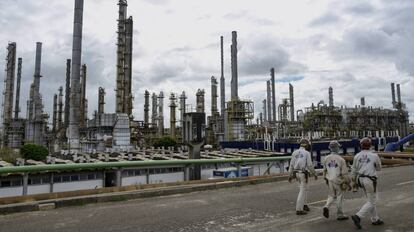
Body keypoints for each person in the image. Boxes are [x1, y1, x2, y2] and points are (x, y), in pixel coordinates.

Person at [351, 137, 384, 229]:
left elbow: (353, 170)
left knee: (370, 199)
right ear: (370, 145)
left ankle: (375, 219)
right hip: (369, 180)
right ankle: (358, 216)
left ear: (361, 145)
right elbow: (379, 168)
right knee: (373, 201)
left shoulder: (357, 156)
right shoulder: (374, 155)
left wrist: (353, 182)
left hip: (360, 179)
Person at [322, 140, 350, 221]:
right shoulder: (341, 159)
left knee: (331, 195)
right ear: (337, 148)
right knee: (339, 196)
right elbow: (344, 173)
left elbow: (324, 170)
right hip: (339, 181)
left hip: (330, 179)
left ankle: (326, 206)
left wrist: (325, 179)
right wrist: (348, 181)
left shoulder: (326, 158)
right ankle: (340, 214)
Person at [288, 138, 317, 215]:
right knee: (302, 190)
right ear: (307, 145)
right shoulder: (307, 153)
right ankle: (299, 209)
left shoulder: (294, 152)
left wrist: (290, 175)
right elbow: (310, 165)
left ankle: (305, 205)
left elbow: (291, 165)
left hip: (296, 173)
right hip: (303, 173)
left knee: (304, 189)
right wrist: (314, 173)